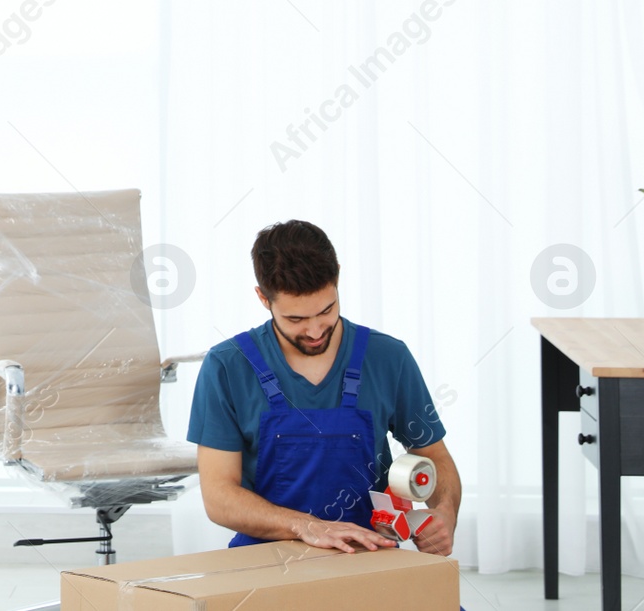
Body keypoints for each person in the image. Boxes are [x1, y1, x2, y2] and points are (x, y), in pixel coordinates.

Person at [188, 220, 461, 556]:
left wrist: (445, 514)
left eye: (326, 310)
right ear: (263, 298)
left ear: (338, 279)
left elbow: (434, 457)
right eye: (296, 320)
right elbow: (218, 495)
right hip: (267, 554)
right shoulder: (227, 366)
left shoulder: (388, 357)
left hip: (368, 552)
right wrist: (308, 526)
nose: (316, 330)